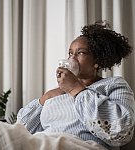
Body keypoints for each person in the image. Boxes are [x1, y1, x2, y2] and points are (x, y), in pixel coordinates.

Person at [17, 21, 135, 150]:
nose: (72, 58)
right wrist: (43, 99)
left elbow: (122, 130)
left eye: (80, 53)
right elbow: (20, 130)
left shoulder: (113, 84)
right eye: (70, 53)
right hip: (43, 144)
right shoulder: (56, 93)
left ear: (97, 60)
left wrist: (76, 89)